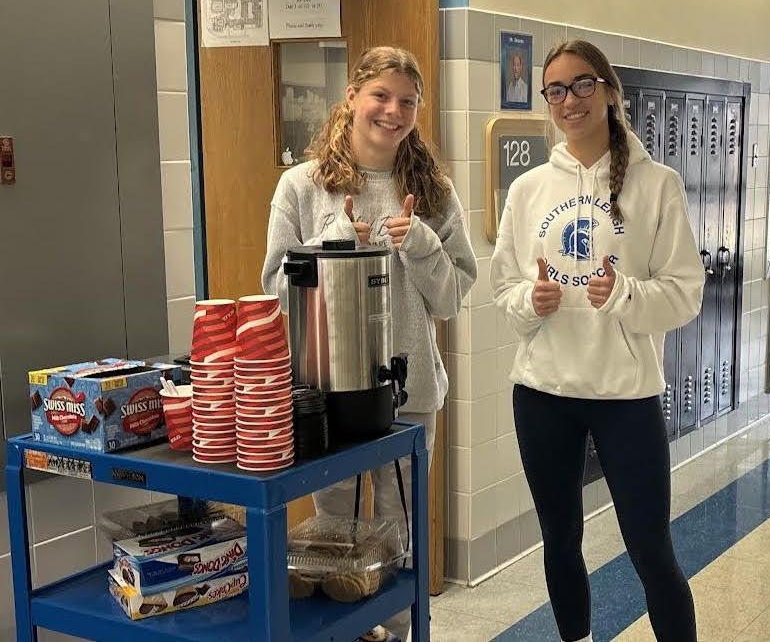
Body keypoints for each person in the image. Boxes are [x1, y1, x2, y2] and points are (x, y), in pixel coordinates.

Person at [490, 39, 703, 642]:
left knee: (650, 546)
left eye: (582, 84)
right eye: (555, 89)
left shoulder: (657, 183)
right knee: (560, 537)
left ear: (609, 91)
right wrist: (531, 302)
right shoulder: (528, 189)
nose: (569, 100)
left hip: (626, 395)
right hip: (543, 393)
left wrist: (627, 294)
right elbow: (504, 290)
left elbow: (685, 292)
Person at [262, 46, 477, 642]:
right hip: (323, 390)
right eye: (381, 95)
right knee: (329, 524)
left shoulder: (434, 193)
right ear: (352, 97)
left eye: (407, 101)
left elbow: (453, 296)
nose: (393, 111)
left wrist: (422, 245)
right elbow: (276, 289)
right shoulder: (302, 188)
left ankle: (397, 631)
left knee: (398, 526)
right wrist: (334, 242)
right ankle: (342, 632)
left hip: (408, 391)